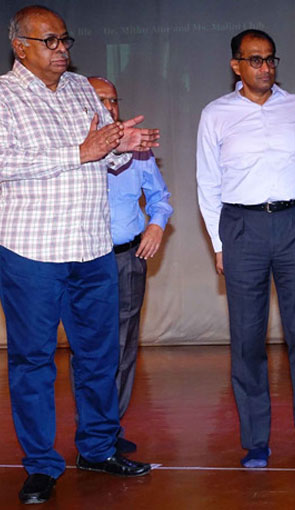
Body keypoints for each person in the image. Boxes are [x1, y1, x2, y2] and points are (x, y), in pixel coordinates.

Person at [0, 5, 157, 505]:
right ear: (20, 46)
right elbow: (6, 163)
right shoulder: (4, 97)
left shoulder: (80, 90)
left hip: (91, 248)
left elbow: (100, 155)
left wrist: (121, 145)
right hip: (32, 252)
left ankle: (96, 447)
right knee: (34, 362)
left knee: (98, 357)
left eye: (65, 40)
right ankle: (42, 466)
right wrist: (82, 152)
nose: (62, 49)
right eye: (50, 41)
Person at [196, 29, 295, 469]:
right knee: (248, 340)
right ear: (236, 65)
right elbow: (208, 183)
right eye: (255, 61)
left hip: (293, 225)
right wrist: (219, 243)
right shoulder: (216, 114)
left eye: (271, 59)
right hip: (241, 227)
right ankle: (256, 440)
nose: (266, 68)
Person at [88, 76, 173, 454]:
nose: (109, 107)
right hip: (84, 263)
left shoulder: (138, 151)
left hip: (127, 260)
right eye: (100, 100)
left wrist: (155, 225)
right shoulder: (75, 151)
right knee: (91, 350)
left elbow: (160, 197)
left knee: (123, 347)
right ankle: (91, 431)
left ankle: (109, 430)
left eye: (113, 100)